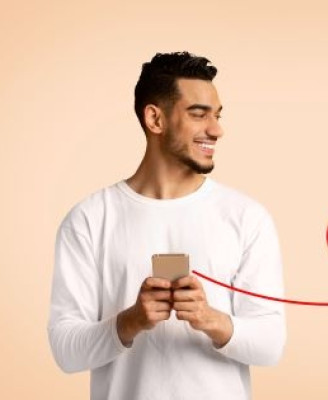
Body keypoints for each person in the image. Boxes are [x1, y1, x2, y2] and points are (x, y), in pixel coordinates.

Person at [48, 52, 286, 400]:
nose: (216, 129)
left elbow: (271, 345)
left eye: (217, 115)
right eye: (198, 114)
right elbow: (65, 352)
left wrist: (210, 319)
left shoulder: (247, 217)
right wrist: (130, 322)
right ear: (155, 119)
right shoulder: (89, 219)